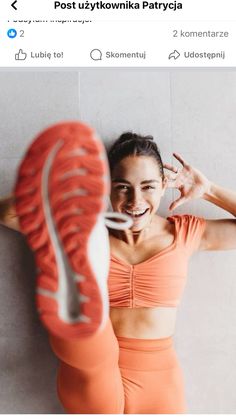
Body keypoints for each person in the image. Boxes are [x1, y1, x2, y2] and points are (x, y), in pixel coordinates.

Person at [0, 121, 236, 414]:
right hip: (90, 366)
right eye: (122, 188)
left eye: (148, 187)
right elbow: (7, 213)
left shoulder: (185, 233)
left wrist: (209, 190)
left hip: (159, 380)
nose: (135, 201)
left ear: (164, 186)